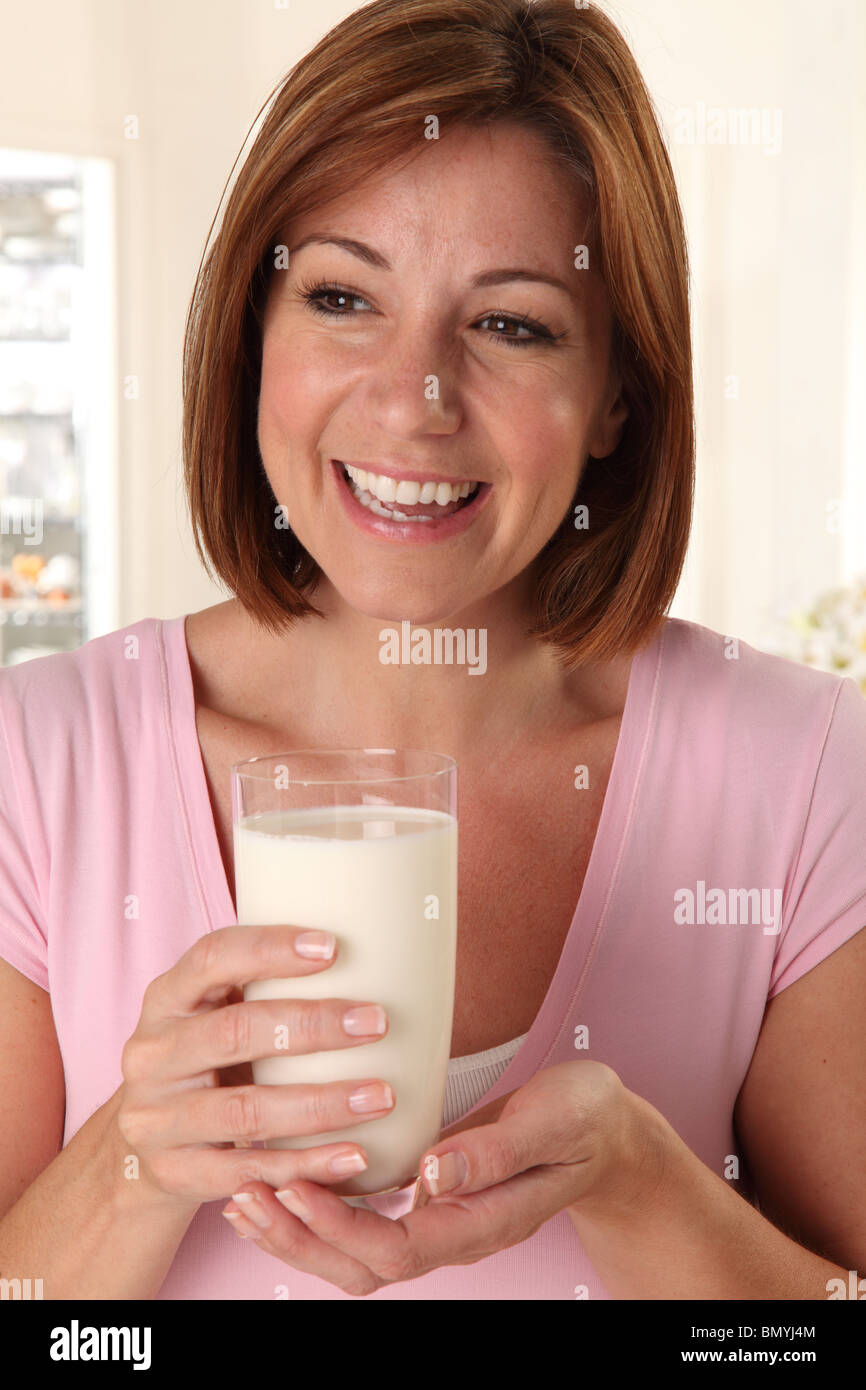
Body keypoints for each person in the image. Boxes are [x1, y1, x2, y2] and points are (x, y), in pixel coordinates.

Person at [1, 0, 864, 1302]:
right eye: (341, 297)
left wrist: (642, 1182)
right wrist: (130, 1160)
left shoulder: (801, 778)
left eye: (510, 323)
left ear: (618, 393)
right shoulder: (37, 764)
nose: (414, 402)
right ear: (252, 333)